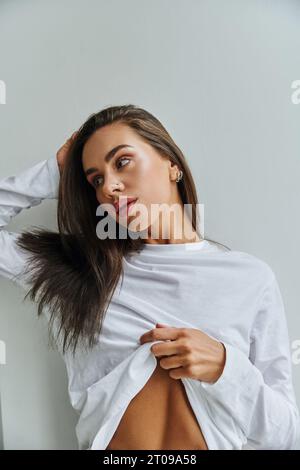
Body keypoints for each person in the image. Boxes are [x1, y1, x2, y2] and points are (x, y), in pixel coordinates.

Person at [0, 104, 299, 450]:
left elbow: (287, 436)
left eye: (122, 162)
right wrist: (56, 173)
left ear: (171, 165)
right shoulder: (81, 272)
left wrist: (225, 367)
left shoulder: (250, 279)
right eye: (95, 179)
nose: (108, 186)